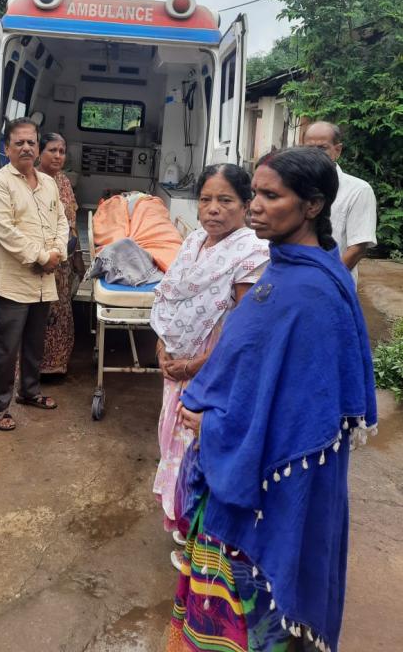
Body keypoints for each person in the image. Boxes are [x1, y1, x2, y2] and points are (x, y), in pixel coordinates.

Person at [167, 147, 377, 652]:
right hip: (246, 459)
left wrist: (213, 424)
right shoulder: (294, 272)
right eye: (255, 194)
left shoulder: (307, 290)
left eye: (269, 195)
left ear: (312, 206)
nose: (254, 206)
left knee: (254, 613)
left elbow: (303, 406)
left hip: (262, 480)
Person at [150, 164, 269, 568]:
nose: (213, 209)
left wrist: (198, 365)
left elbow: (241, 326)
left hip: (213, 371)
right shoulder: (195, 240)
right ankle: (183, 522)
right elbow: (169, 295)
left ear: (246, 204)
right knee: (175, 440)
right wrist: (163, 342)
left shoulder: (252, 251)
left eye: (225, 200)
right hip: (178, 364)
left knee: (200, 450)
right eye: (205, 199)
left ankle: (203, 540)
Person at [0, 118, 69, 432]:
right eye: (19, 143)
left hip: (43, 281)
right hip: (11, 282)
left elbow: (61, 221)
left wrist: (57, 251)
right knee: (5, 350)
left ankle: (29, 392)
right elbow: (6, 233)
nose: (27, 148)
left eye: (31, 142)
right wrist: (44, 257)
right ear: (7, 148)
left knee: (35, 343)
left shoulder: (47, 182)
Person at [303, 121, 377, 283]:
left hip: (333, 287)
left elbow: (357, 248)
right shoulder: (294, 186)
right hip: (294, 283)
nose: (315, 154)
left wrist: (325, 281)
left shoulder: (358, 190)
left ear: (338, 150)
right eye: (309, 148)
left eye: (322, 148)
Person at [36, 132, 80, 375]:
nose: (58, 156)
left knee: (62, 310)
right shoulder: (34, 180)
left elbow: (71, 219)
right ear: (40, 153)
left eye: (62, 151)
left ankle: (57, 364)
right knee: (43, 313)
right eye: (52, 150)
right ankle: (37, 368)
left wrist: (77, 258)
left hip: (64, 261)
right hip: (45, 260)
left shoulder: (62, 180)